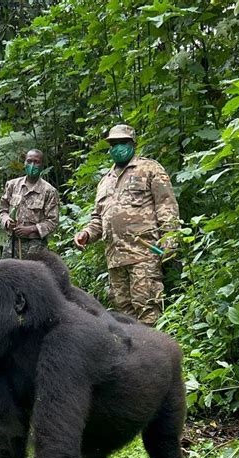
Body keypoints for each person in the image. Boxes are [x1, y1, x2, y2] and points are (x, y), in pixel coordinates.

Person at [74, 124, 179, 325]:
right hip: (115, 258)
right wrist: (86, 234)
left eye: (122, 143)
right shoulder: (105, 180)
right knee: (123, 317)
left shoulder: (150, 169)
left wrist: (170, 240)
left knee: (148, 309)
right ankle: (132, 356)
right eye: (113, 144)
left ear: (132, 144)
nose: (117, 147)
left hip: (145, 253)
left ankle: (155, 354)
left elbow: (166, 205)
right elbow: (98, 218)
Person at [0, 149, 59, 259]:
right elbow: (2, 210)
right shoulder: (12, 185)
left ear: (42, 165)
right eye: (29, 161)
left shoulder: (49, 191)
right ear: (24, 163)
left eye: (36, 162)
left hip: (36, 247)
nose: (32, 165)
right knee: (8, 275)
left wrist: (31, 229)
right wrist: (7, 221)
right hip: (11, 245)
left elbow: (52, 221)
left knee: (33, 276)